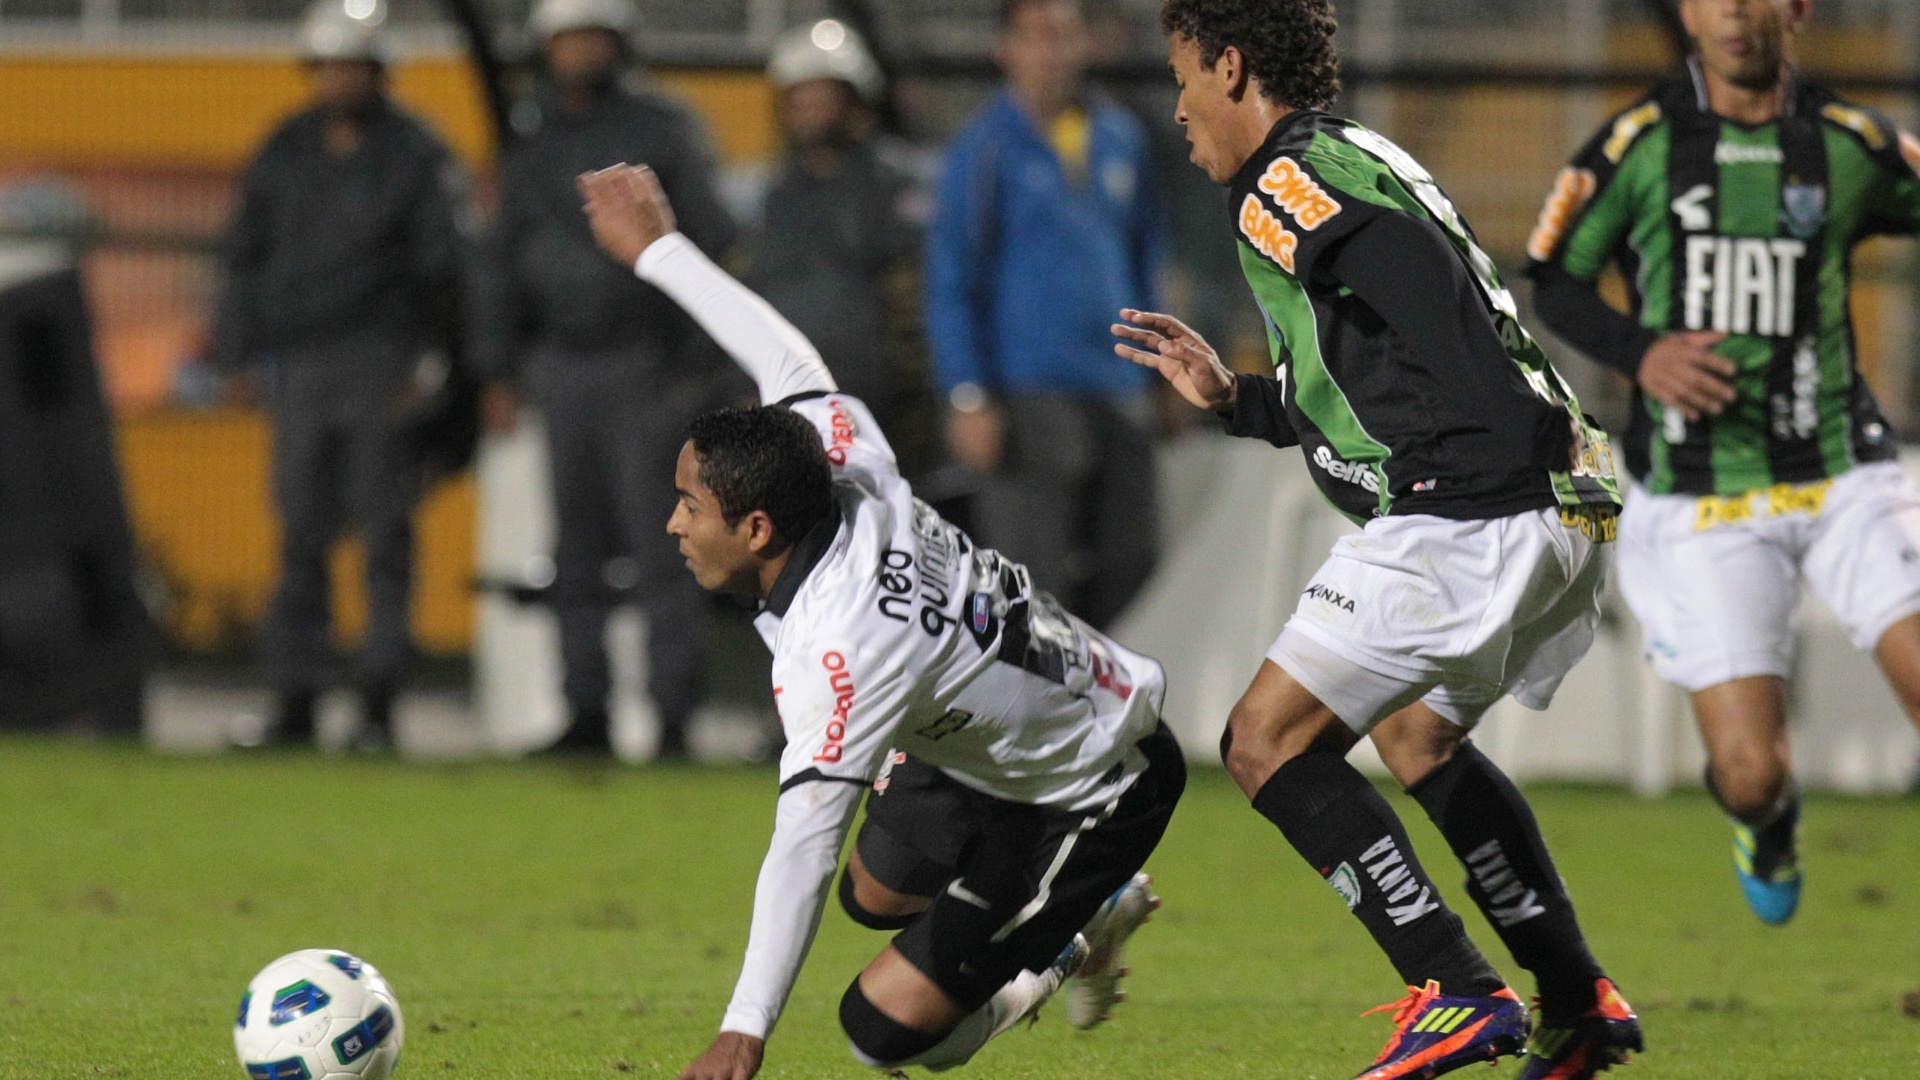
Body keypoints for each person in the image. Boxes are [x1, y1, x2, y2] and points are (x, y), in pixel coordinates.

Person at [1111, 3, 1639, 1078]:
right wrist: (1238, 402)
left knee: (1265, 742)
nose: (1176, 108)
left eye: (1182, 77)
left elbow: (1418, 290)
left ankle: (1454, 986)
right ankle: (1577, 998)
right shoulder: (1361, 151)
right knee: (1416, 740)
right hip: (1564, 494)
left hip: (1476, 500)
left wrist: (1494, 445)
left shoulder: (1279, 187)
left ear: (1231, 63)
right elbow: (1377, 372)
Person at [576, 164, 1185, 1080]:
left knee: (885, 1033)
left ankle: (1073, 933)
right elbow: (786, 357)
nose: (672, 523)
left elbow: (804, 840)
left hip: (1094, 782)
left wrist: (744, 1030)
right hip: (988, 722)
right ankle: (1030, 911)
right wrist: (658, 249)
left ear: (755, 528)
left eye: (687, 506)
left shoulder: (841, 646)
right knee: (879, 891)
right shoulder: (839, 453)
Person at [1526, 0, 1920, 926]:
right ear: (1687, 14)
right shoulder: (1637, 145)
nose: (1736, 12)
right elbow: (1554, 277)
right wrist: (1641, 352)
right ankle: (1768, 820)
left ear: (1797, 11)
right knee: (1748, 773)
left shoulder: (1849, 143)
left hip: (1844, 472)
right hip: (1702, 497)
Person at [470, 0, 736, 758]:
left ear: (617, 43)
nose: (579, 51)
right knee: (575, 552)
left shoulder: (663, 129)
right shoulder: (529, 139)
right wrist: (498, 368)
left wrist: (694, 367)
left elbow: (710, 239)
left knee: (667, 549)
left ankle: (673, 718)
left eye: (592, 36)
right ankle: (585, 713)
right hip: (561, 365)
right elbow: (499, 260)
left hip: (646, 365)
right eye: (568, 38)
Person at [214, 0, 470, 751]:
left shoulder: (416, 153)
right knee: (299, 535)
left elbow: (446, 271)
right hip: (301, 365)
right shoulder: (285, 149)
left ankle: (378, 704)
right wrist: (236, 354)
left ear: (378, 72)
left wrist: (437, 366)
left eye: (354, 66)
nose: (342, 79)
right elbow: (243, 258)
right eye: (331, 66)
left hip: (381, 362)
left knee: (386, 533)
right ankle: (295, 699)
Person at [925, 0, 1165, 629]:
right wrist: (968, 394)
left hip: (1117, 385)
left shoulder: (1120, 136)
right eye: (1035, 37)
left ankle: (1108, 721)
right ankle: (1033, 724)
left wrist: (1168, 367)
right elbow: (952, 279)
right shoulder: (981, 149)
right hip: (1026, 391)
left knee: (1131, 563)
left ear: (1087, 43)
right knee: (1032, 580)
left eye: (1064, 35)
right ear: (1006, 49)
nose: (1052, 50)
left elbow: (1145, 258)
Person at [747, 19, 936, 477]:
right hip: (795, 407)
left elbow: (917, 302)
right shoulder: (775, 196)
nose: (812, 110)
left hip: (885, 409)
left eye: (824, 96)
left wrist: (915, 399)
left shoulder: (897, 182)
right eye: (801, 98)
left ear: (854, 102)